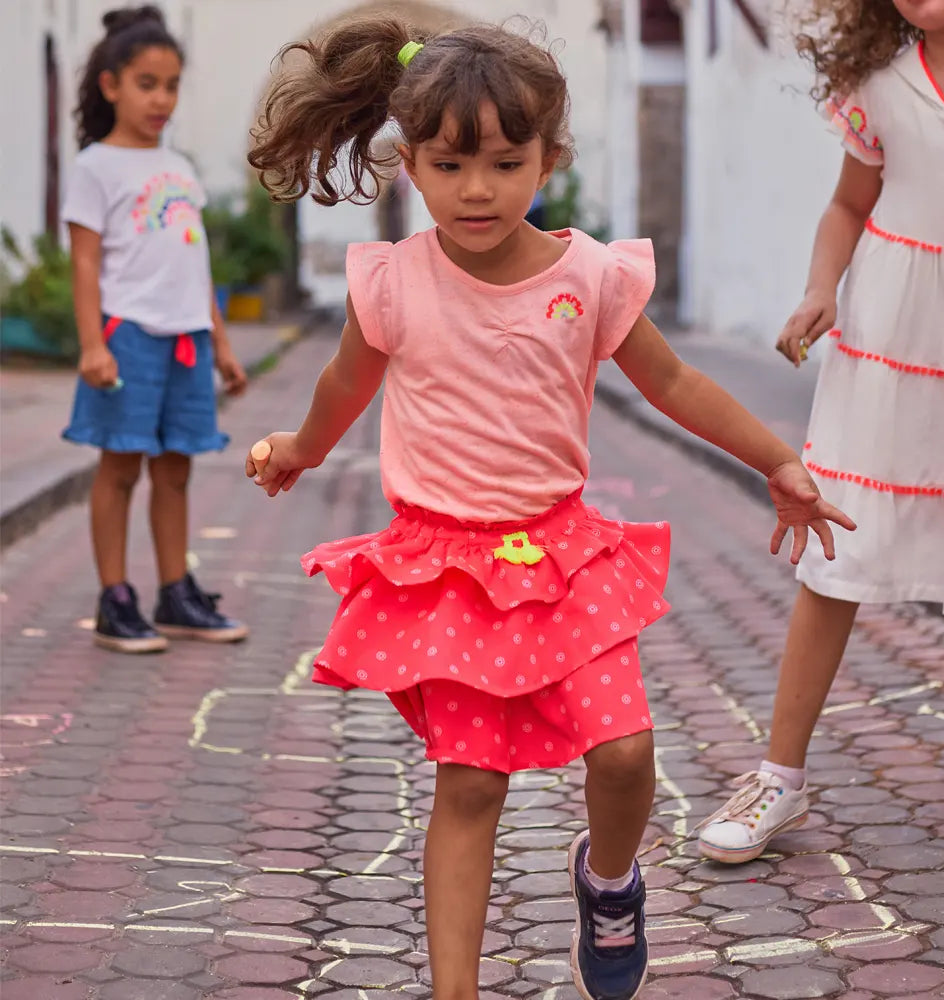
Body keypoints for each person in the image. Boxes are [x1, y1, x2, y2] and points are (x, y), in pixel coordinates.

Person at [244, 16, 855, 1000]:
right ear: (411, 163)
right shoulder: (392, 283)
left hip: (564, 557)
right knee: (469, 783)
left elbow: (674, 382)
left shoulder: (590, 277)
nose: (476, 190)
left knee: (626, 753)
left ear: (549, 158)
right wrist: (299, 450)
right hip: (445, 569)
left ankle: (608, 883)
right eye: (450, 166)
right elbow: (343, 385)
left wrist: (777, 458)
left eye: (504, 163)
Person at [698, 0, 944, 864]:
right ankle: (778, 777)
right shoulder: (877, 85)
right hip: (890, 340)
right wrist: (820, 288)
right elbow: (845, 206)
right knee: (836, 546)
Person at [62, 5, 249, 653]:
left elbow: (195, 261)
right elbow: (84, 263)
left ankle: (175, 593)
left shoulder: (179, 167)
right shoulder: (96, 167)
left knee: (175, 471)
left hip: (188, 342)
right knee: (119, 468)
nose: (162, 99)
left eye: (171, 86)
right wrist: (93, 345)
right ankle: (115, 599)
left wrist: (220, 342)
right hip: (128, 338)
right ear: (111, 85)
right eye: (147, 84)